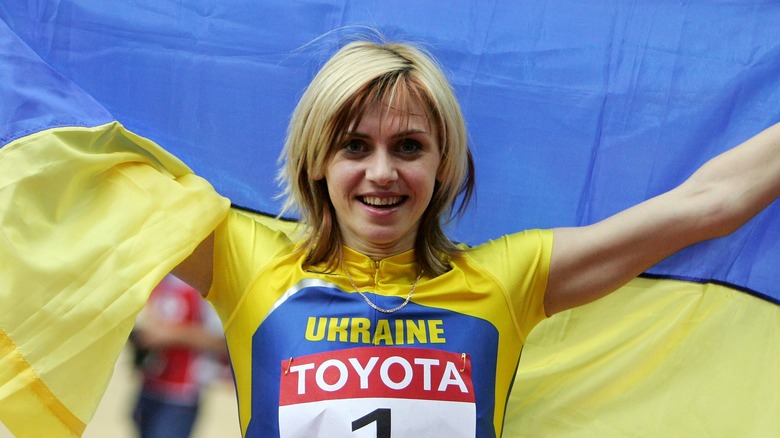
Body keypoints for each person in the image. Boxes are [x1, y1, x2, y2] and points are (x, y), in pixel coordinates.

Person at [167, 39, 780, 437]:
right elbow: (92, 191)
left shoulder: (506, 279)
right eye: (355, 145)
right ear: (315, 162)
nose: (382, 172)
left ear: (444, 167)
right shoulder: (242, 260)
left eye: (409, 147)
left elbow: (707, 204)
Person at [129, 274, 229, 438]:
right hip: (150, 386)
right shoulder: (159, 280)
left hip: (180, 395)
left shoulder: (203, 288)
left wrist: (169, 335)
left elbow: (221, 341)